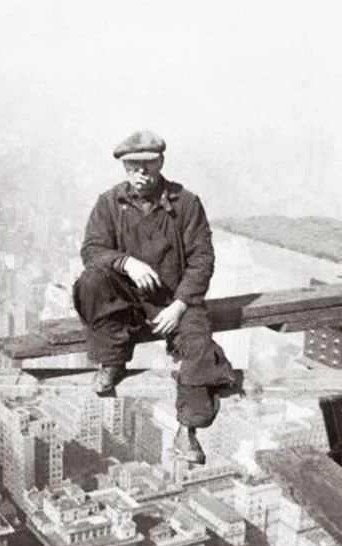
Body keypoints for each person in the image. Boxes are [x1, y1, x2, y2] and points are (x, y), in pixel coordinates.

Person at [73, 130, 239, 465]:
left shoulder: (186, 203)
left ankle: (187, 431)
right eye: (133, 166)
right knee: (91, 281)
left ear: (161, 162)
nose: (141, 174)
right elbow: (92, 250)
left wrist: (179, 306)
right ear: (124, 167)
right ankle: (113, 362)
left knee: (199, 346)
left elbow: (202, 259)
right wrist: (125, 262)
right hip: (128, 300)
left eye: (148, 166)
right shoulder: (109, 203)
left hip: (176, 300)